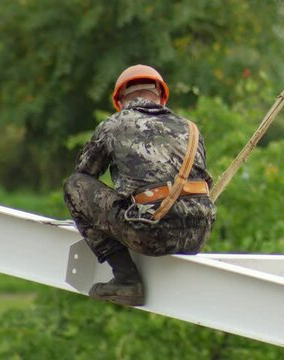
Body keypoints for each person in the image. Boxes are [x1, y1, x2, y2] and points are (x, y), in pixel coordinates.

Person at [64, 64, 216, 306]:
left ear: (120, 101)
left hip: (151, 232)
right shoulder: (192, 129)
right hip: (198, 234)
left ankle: (126, 279)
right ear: (162, 98)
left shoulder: (114, 124)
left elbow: (84, 174)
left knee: (74, 186)